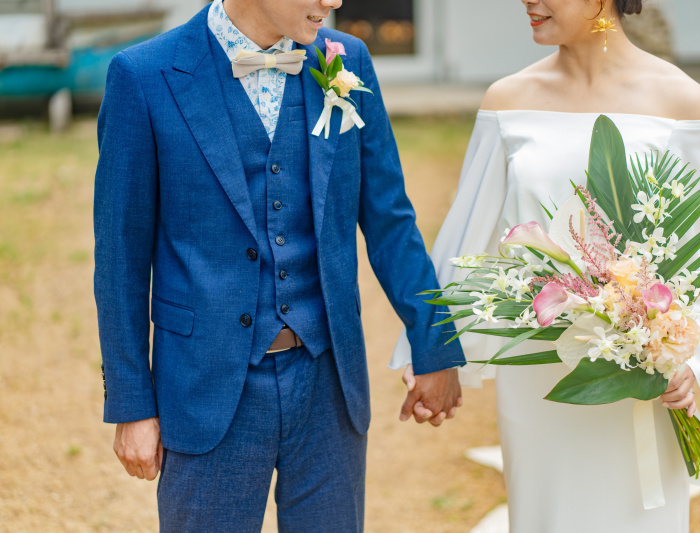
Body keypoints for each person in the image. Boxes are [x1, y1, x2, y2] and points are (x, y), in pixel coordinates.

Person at [93, 0, 465, 530]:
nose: (334, 2)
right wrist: (132, 404)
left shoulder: (346, 60)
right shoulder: (144, 75)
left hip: (328, 383)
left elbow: (389, 218)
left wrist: (435, 346)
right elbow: (119, 261)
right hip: (205, 387)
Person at [393, 0, 700, 531]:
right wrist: (434, 352)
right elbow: (469, 233)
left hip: (642, 378)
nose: (528, 2)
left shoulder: (682, 103)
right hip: (538, 380)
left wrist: (690, 361)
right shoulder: (508, 100)